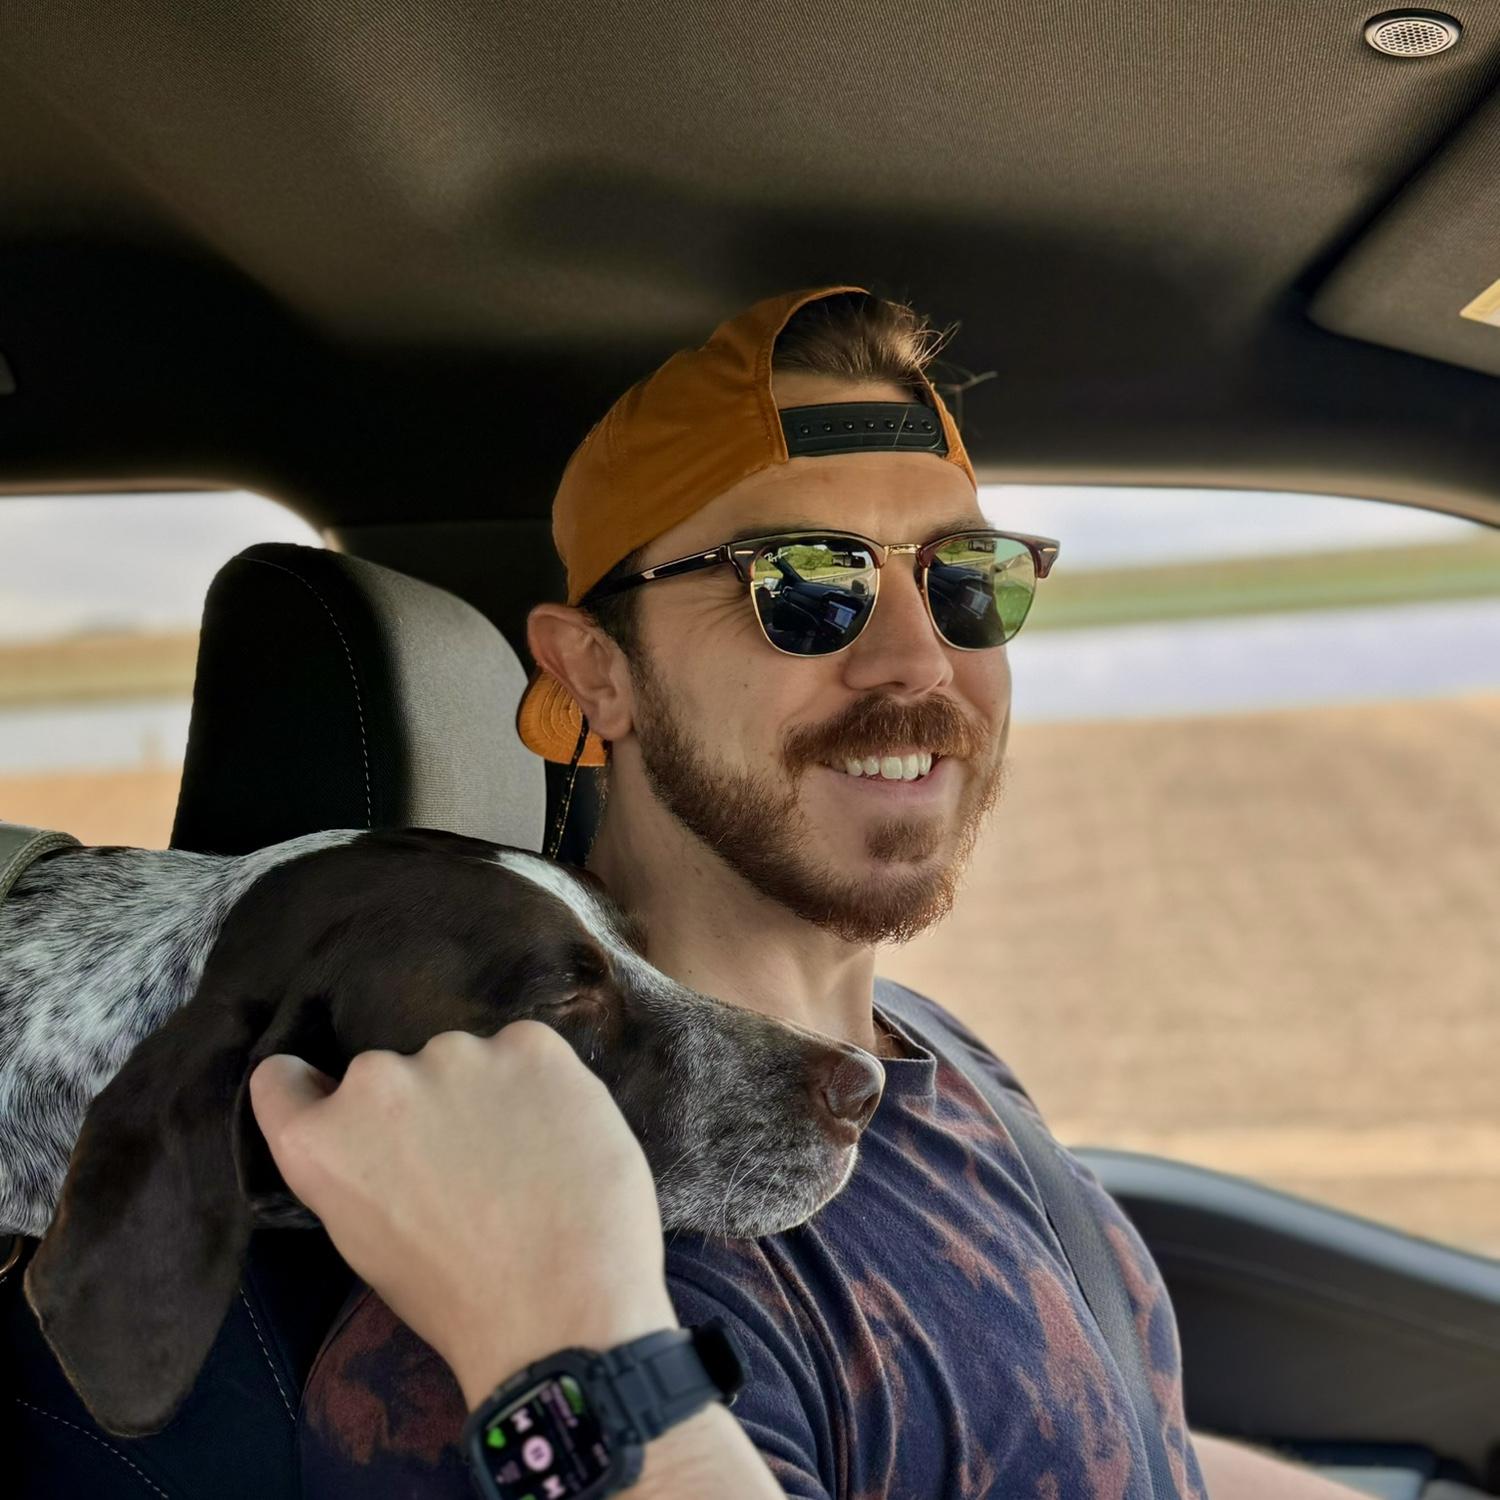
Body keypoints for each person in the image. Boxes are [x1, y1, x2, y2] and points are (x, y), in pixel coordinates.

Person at [267, 285, 1370, 1498]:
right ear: (596, 675)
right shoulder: (533, 1271)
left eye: (966, 579)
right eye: (803, 584)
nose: (917, 660)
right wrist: (574, 1348)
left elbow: (1118, 1449)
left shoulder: (921, 1049)